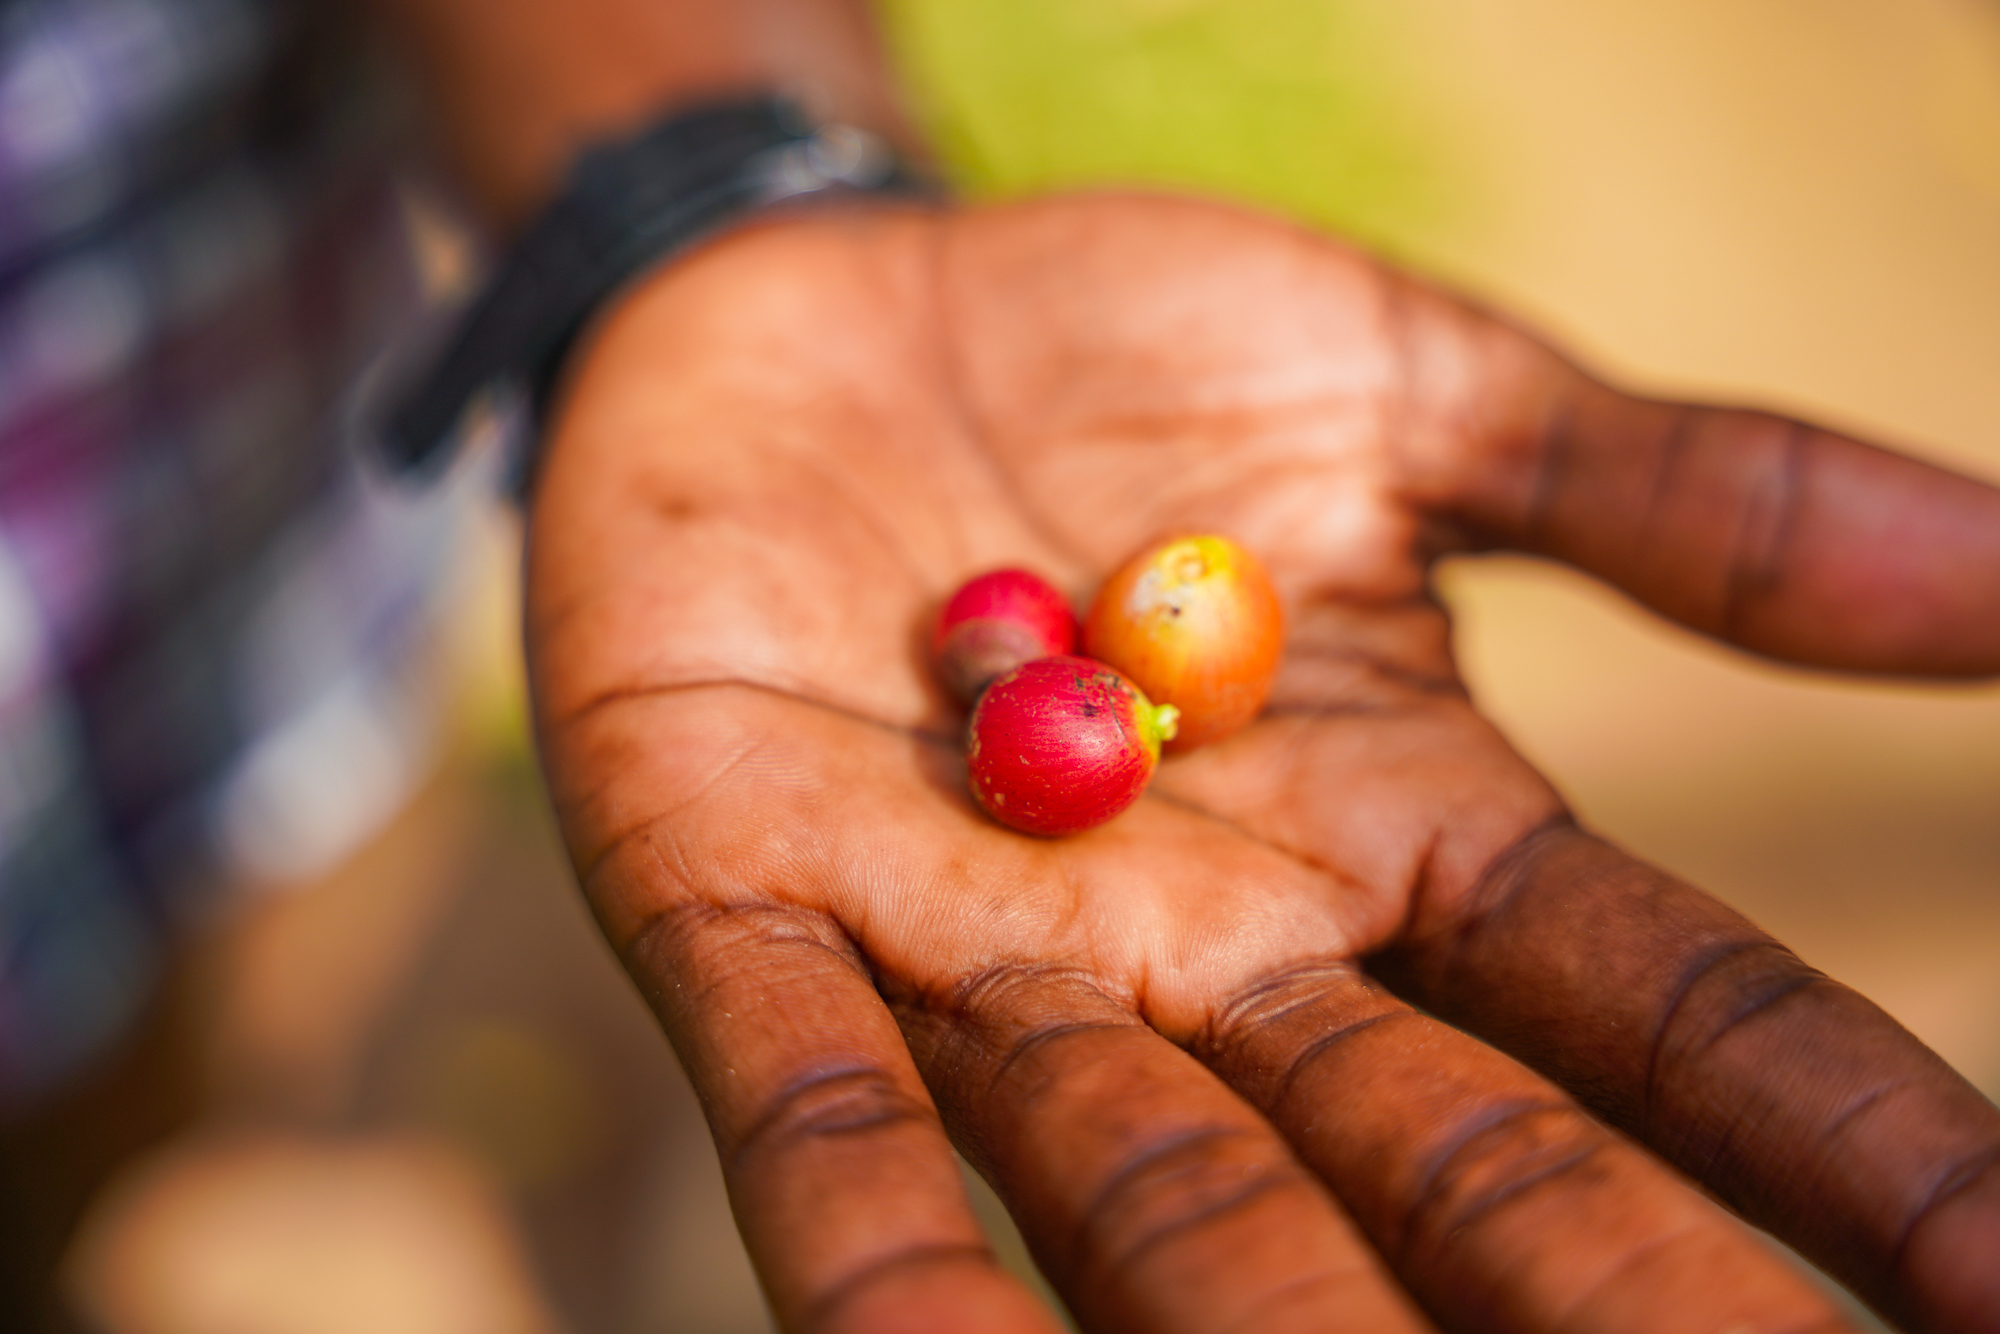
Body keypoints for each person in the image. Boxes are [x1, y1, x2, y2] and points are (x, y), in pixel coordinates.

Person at [11, 0, 2000, 1329]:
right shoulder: (1059, 694)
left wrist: (698, 196)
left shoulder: (1064, 675)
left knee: (127, 1040)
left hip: (176, 546)